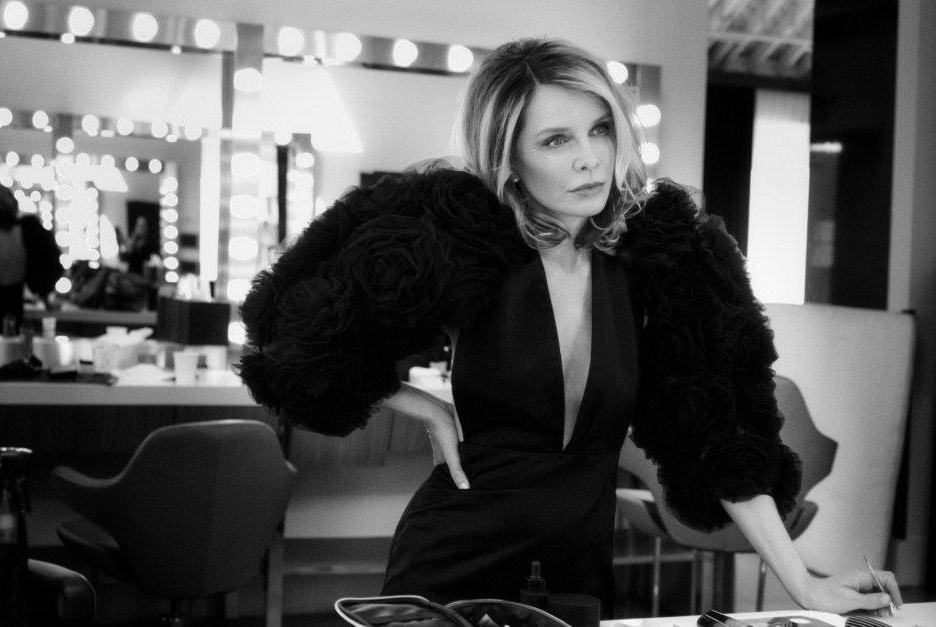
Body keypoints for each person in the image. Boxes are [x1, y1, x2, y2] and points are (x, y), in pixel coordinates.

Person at [237, 38, 901, 616]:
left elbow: (720, 437)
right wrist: (418, 406)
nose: (591, 158)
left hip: (577, 568)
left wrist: (805, 585)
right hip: (451, 557)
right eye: (556, 139)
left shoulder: (661, 264)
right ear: (510, 157)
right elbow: (291, 340)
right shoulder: (463, 246)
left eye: (600, 129)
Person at [0, 183, 62, 333]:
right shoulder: (26, 232)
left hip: (12, 306)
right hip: (12, 306)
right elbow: (45, 268)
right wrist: (46, 301)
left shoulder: (25, 232)